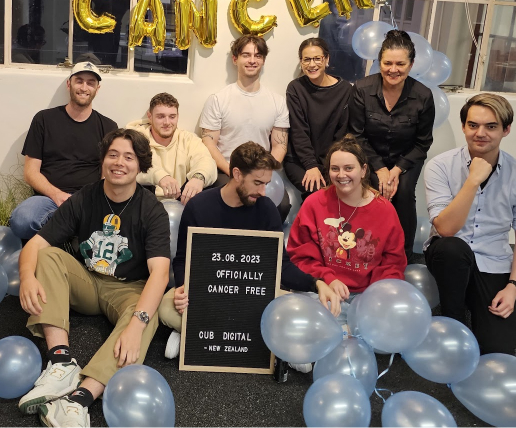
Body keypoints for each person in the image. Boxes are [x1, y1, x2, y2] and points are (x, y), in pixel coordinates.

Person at [17, 129, 171, 427]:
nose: (119, 163)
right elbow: (36, 245)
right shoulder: (84, 198)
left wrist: (136, 325)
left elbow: (160, 273)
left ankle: (79, 400)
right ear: (103, 160)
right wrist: (26, 277)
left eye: (129, 157)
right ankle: (61, 364)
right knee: (47, 256)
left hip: (127, 290)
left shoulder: (152, 210)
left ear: (140, 165)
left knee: (146, 315)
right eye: (112, 155)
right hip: (86, 281)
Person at [158, 142, 341, 372]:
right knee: (166, 306)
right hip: (208, 294)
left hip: (252, 294)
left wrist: (316, 283)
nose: (263, 191)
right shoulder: (199, 206)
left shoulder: (266, 210)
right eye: (257, 183)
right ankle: (269, 342)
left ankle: (193, 332)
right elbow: (183, 259)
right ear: (236, 174)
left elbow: (281, 265)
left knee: (294, 306)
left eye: (266, 184)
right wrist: (184, 287)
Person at [424, 93, 515, 355]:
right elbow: (445, 229)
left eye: (491, 126)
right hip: (448, 253)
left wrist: (513, 287)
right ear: (464, 127)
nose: (480, 133)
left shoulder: (515, 172)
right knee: (453, 248)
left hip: (493, 258)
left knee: (499, 350)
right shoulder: (440, 166)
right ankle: (453, 321)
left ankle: (473, 302)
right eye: (473, 125)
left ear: (506, 129)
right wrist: (473, 180)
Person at [287, 134, 406, 313]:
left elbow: (393, 264)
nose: (341, 175)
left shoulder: (385, 210)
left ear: (364, 170)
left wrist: (374, 296)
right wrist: (327, 279)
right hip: (325, 290)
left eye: (348, 168)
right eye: (335, 169)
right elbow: (300, 256)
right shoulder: (314, 203)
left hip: (369, 295)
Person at [349, 30, 435, 260]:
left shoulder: (423, 96)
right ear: (379, 63)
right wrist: (379, 168)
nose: (393, 69)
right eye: (387, 63)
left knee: (404, 192)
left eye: (400, 64)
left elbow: (423, 142)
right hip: (369, 156)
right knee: (374, 191)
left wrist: (396, 170)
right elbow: (357, 135)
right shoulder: (361, 89)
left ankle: (402, 256)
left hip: (407, 158)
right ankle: (364, 253)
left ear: (411, 64)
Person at [9, 61, 118, 240]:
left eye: (91, 83)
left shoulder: (108, 126)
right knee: (22, 220)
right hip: (48, 199)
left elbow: (108, 173)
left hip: (89, 199)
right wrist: (57, 195)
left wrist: (92, 201)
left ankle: (63, 230)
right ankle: (73, 229)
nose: (84, 87)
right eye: (79, 81)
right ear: (69, 84)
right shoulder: (44, 119)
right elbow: (30, 172)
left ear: (97, 88)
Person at [200, 35, 291, 221]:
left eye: (257, 56)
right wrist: (234, 172)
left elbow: (280, 145)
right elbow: (209, 143)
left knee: (281, 205)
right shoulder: (218, 99)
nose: (252, 60)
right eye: (246, 55)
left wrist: (263, 173)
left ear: (263, 60)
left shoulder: (278, 102)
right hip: (226, 171)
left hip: (261, 172)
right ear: (235, 59)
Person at [284, 37, 351, 202]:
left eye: (317, 58)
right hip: (299, 161)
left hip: (332, 161)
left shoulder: (345, 90)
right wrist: (311, 165)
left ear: (326, 59)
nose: (312, 64)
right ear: (301, 62)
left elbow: (342, 134)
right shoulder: (295, 88)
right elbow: (299, 132)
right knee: (318, 194)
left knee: (344, 193)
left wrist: (332, 167)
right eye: (306, 59)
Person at [126, 92, 217, 204]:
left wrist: (199, 177)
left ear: (177, 117)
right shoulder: (134, 139)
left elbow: (206, 161)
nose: (167, 122)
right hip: (141, 204)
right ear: (150, 116)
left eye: (172, 117)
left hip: (180, 204)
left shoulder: (188, 139)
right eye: (161, 116)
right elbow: (126, 168)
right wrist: (159, 176)